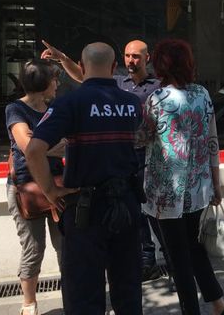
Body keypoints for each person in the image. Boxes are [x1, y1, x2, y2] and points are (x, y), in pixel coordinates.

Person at [25, 43, 143, 315]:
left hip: (84, 210)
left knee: (83, 293)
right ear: (115, 67)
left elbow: (33, 151)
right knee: (128, 288)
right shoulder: (132, 103)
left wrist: (51, 192)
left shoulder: (69, 103)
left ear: (82, 64)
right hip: (126, 205)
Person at [41, 39, 170, 283]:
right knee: (137, 218)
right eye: (127, 55)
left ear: (147, 59)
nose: (131, 61)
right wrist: (63, 59)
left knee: (157, 213)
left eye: (136, 57)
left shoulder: (159, 87)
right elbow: (85, 75)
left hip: (150, 160)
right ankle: (146, 261)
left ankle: (172, 261)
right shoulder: (117, 82)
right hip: (121, 164)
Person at [138, 38, 224, 315]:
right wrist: (216, 185)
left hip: (165, 195)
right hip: (198, 190)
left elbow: (142, 138)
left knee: (178, 259)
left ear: (160, 65)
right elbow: (213, 142)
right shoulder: (203, 95)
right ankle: (220, 307)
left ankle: (193, 310)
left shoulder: (157, 99)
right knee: (195, 250)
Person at [5, 59, 66, 315]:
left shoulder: (55, 109)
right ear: (43, 84)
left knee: (65, 245)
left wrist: (42, 150)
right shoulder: (15, 109)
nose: (57, 84)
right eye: (54, 79)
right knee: (34, 248)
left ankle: (72, 296)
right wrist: (55, 148)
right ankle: (29, 304)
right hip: (26, 188)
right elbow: (26, 146)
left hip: (57, 184)